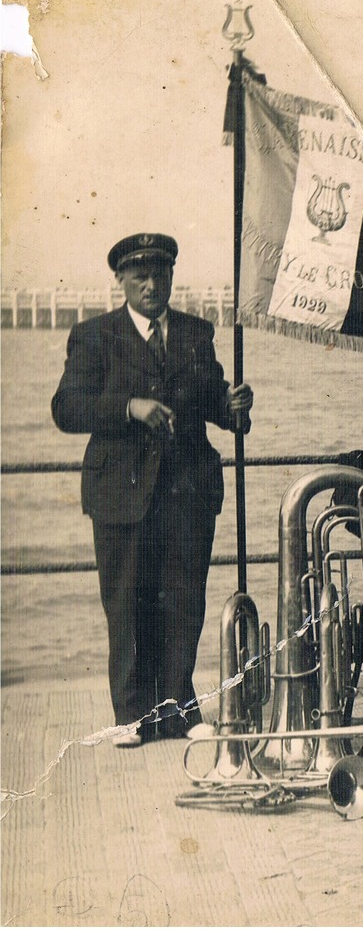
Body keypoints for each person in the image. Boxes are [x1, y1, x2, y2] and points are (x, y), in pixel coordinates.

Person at [52, 233, 254, 745]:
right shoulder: (94, 335)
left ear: (170, 278)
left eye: (159, 275)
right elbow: (66, 409)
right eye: (139, 276)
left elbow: (213, 401)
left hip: (187, 492)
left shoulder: (195, 332)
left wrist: (233, 406)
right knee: (126, 604)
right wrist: (128, 407)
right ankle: (131, 717)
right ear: (120, 281)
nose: (150, 284)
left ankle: (180, 711)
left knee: (184, 601)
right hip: (121, 493)